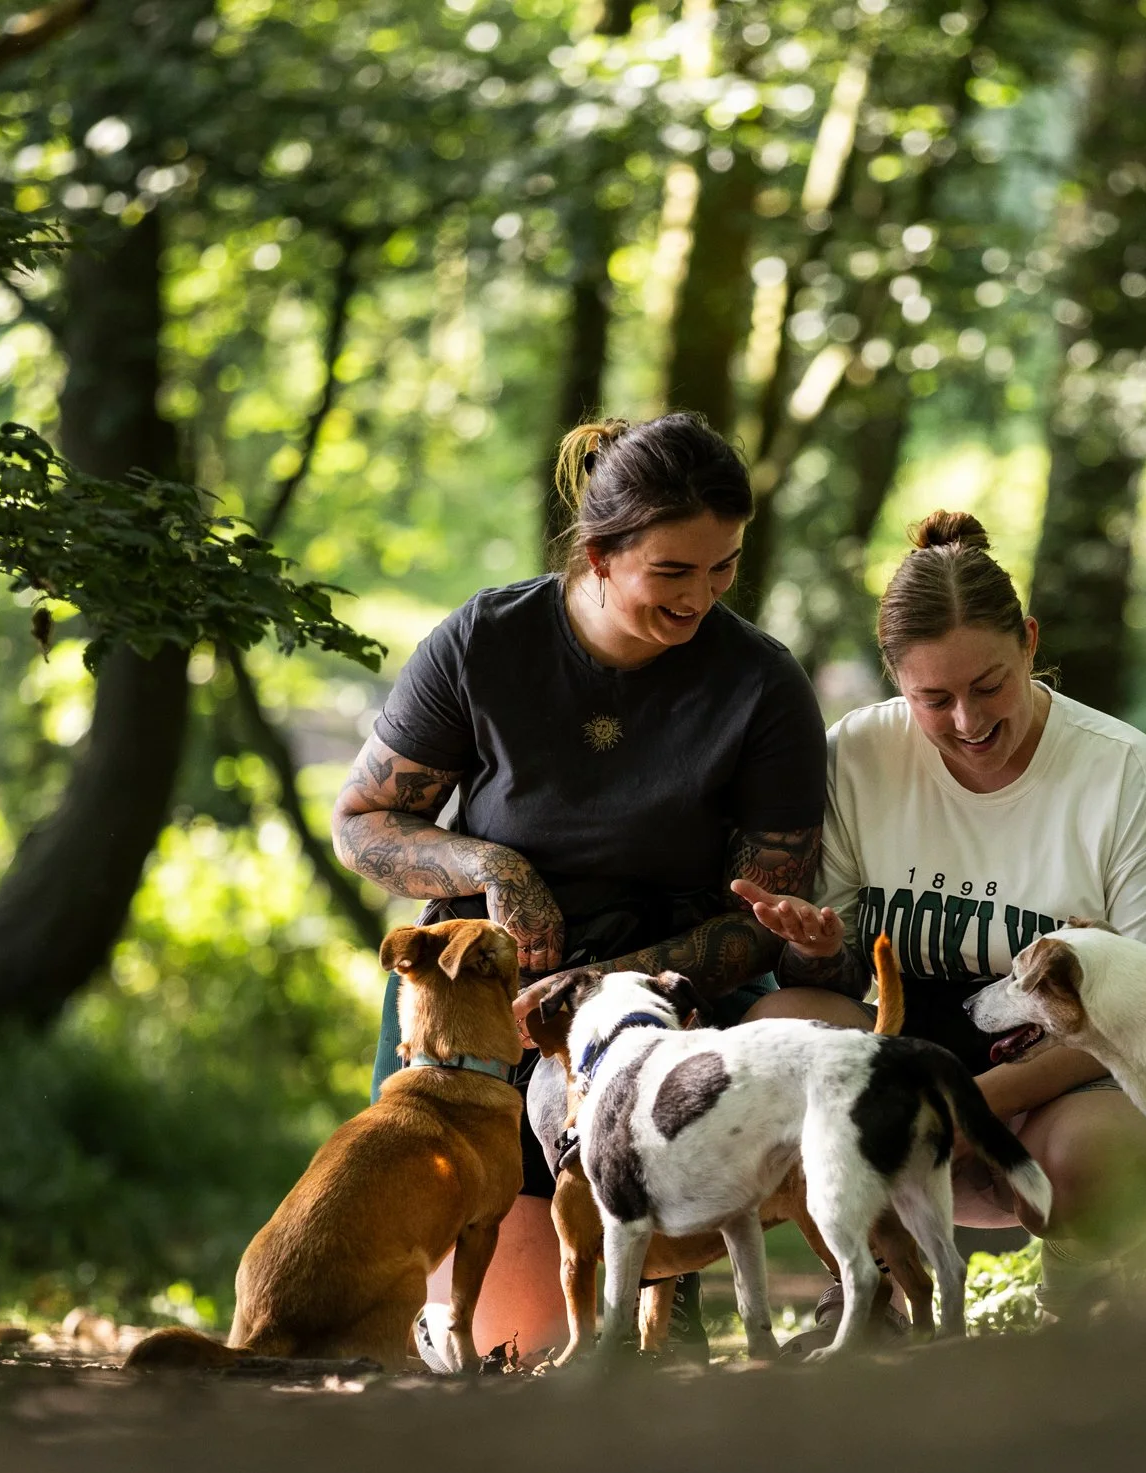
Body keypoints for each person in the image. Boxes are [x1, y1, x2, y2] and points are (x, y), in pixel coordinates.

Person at [330, 413, 825, 1361]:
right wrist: (494, 867)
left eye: (723, 568)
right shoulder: (485, 640)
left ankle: (667, 1262)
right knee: (504, 1343)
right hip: (483, 995)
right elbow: (362, 823)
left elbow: (761, 921)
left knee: (622, 1343)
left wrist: (600, 991)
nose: (702, 598)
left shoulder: (761, 685)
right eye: (673, 573)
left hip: (664, 997)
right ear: (599, 553)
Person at [736, 510, 1146, 1322]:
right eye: (933, 698)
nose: (967, 722)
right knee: (778, 1026)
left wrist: (971, 1099)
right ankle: (868, 1283)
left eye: (989, 685)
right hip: (904, 1065)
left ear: (1028, 640)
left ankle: (1079, 1292)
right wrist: (821, 948)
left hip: (1061, 1075)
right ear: (893, 679)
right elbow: (833, 988)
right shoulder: (858, 755)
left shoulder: (1122, 774)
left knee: (1096, 1157)